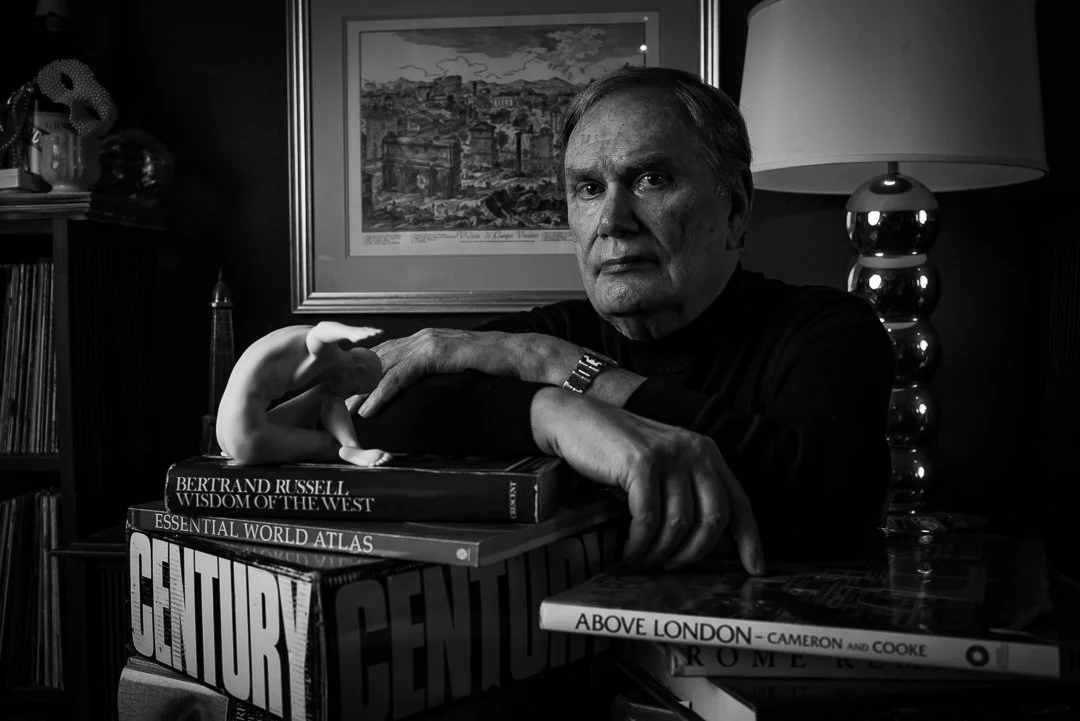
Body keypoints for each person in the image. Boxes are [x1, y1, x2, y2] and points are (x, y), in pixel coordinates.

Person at [230, 67, 894, 575]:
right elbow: (367, 415)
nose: (613, 220)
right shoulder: (543, 333)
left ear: (737, 208)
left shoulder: (827, 329)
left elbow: (829, 503)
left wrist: (557, 369)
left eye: (652, 179)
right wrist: (553, 414)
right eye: (587, 188)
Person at [215, 321, 390, 468]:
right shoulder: (330, 354)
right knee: (332, 444)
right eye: (354, 390)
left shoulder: (292, 336)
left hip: (224, 434)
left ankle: (349, 446)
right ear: (358, 370)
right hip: (247, 438)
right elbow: (320, 332)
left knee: (326, 395)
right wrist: (349, 332)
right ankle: (351, 448)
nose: (348, 396)